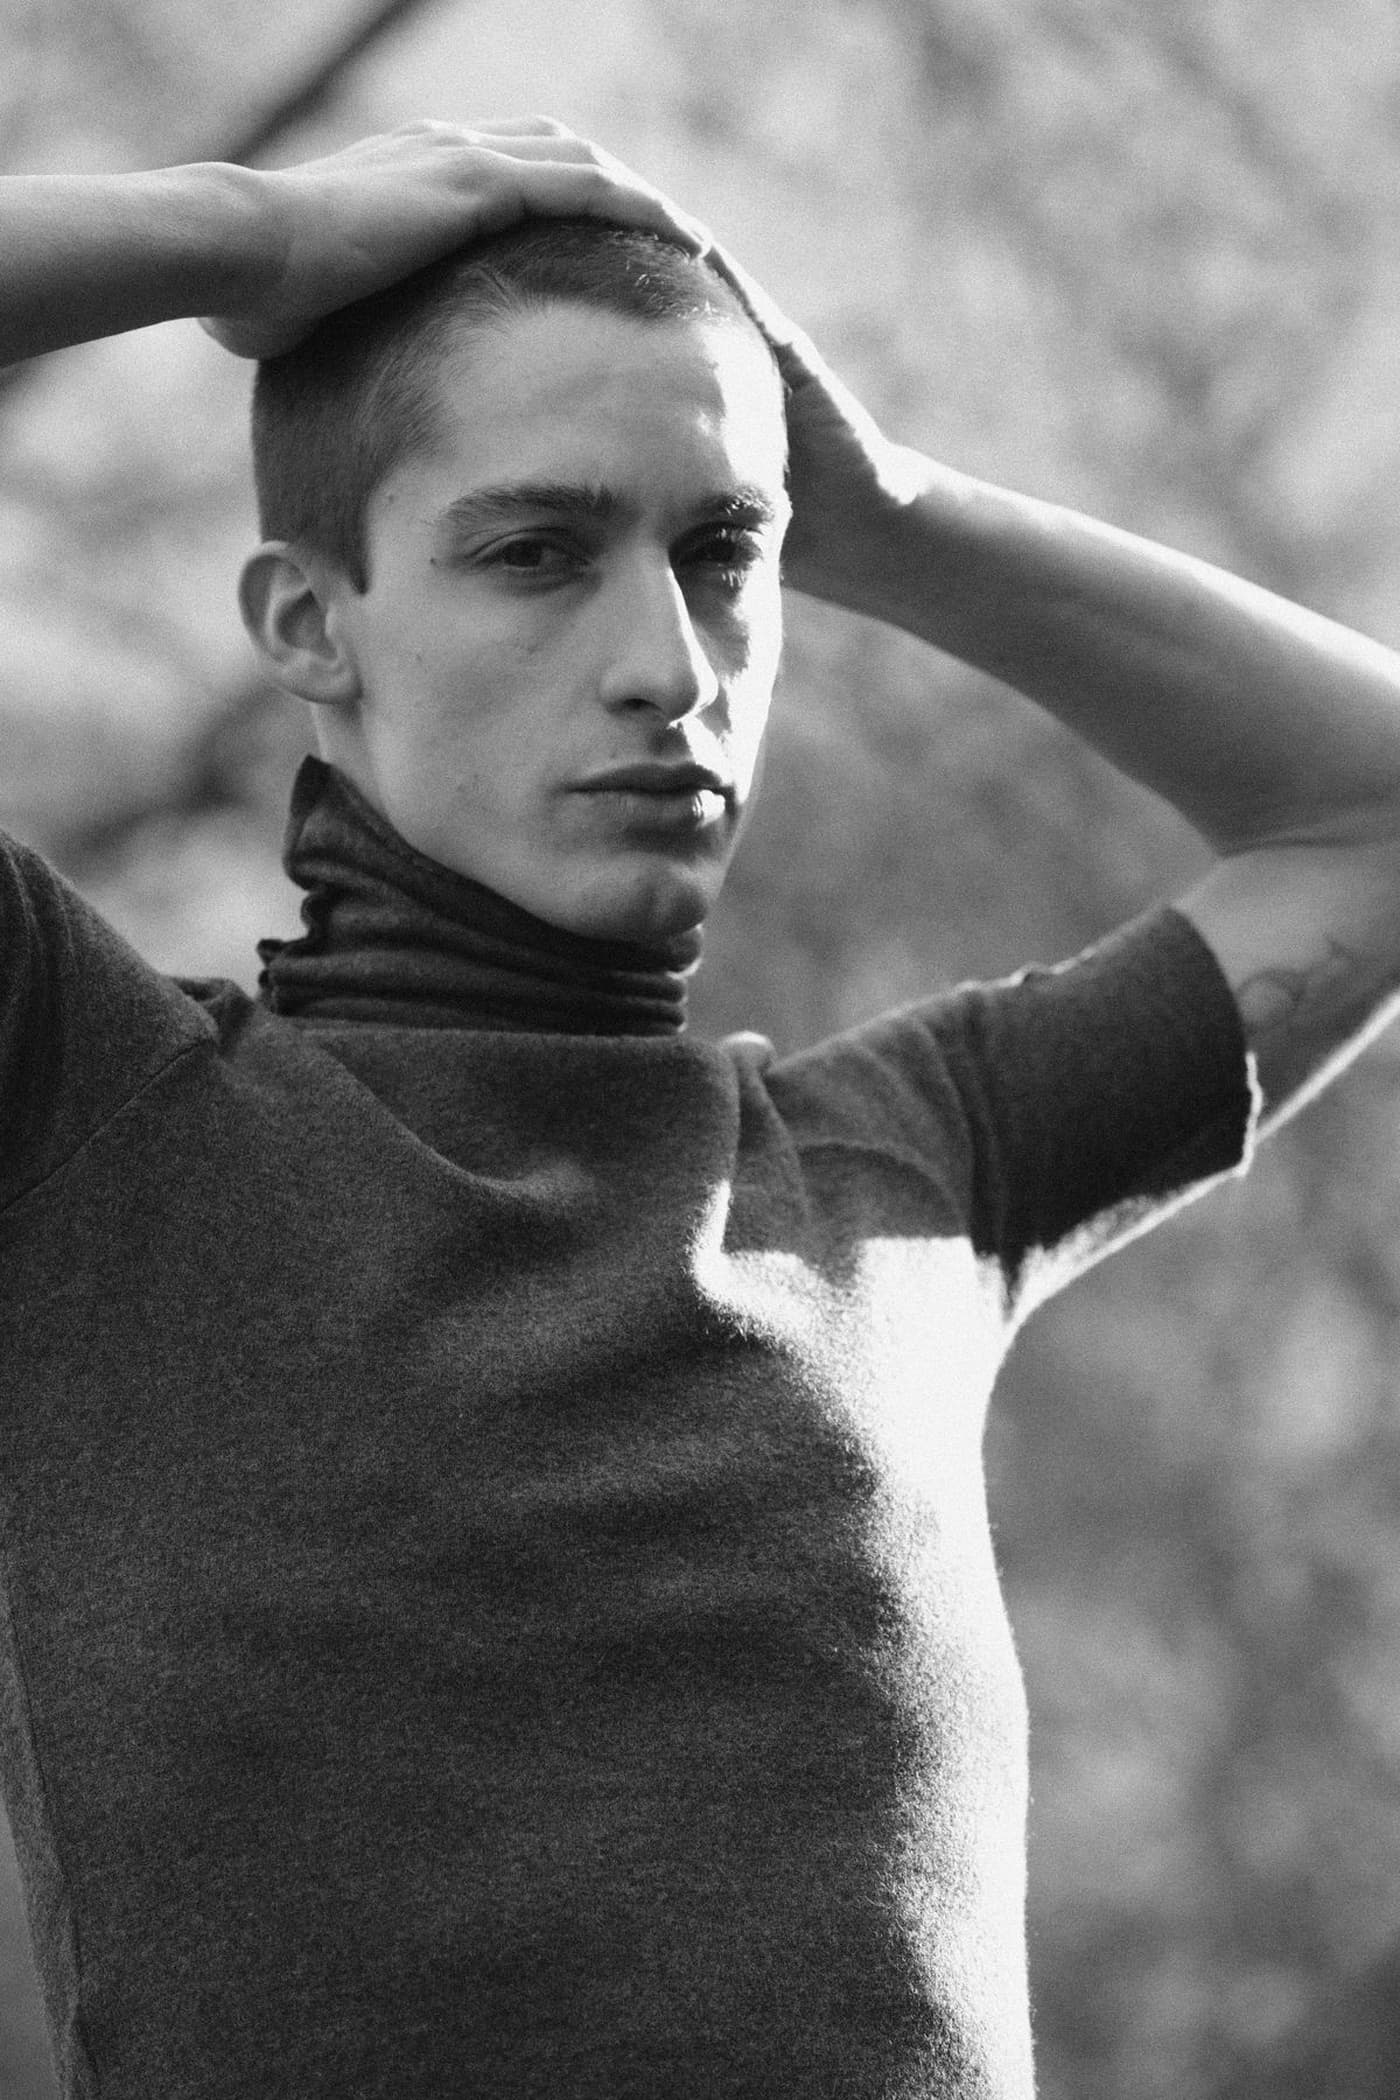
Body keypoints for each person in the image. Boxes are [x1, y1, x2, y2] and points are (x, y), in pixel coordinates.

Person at [2, 118, 1399, 2100]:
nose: (668, 666)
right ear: (309, 625)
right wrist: (252, 233)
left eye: (723, 555)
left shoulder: (918, 1176)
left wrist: (885, 512)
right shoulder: (91, 1113)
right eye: (534, 553)